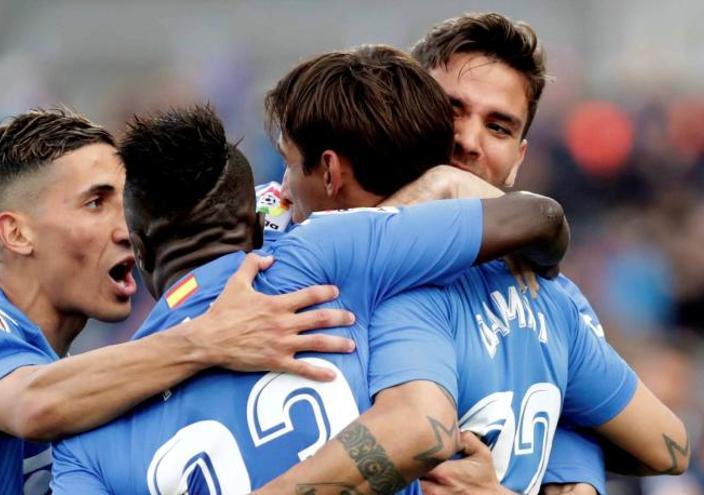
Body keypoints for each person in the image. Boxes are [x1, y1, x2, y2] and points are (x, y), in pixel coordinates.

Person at [49, 96, 571, 492]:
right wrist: (438, 188)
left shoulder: (88, 431)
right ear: (255, 227)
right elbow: (541, 219)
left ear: (138, 249)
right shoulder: (327, 250)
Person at [0, 109, 360, 494]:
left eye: (126, 204)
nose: (124, 229)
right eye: (96, 202)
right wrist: (205, 340)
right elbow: (34, 404)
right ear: (17, 233)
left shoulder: (85, 381)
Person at [251, 40, 686, 494]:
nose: (467, 141)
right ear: (405, 104)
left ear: (519, 159)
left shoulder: (533, 295)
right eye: (453, 110)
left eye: (498, 127)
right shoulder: (280, 215)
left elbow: (669, 446)